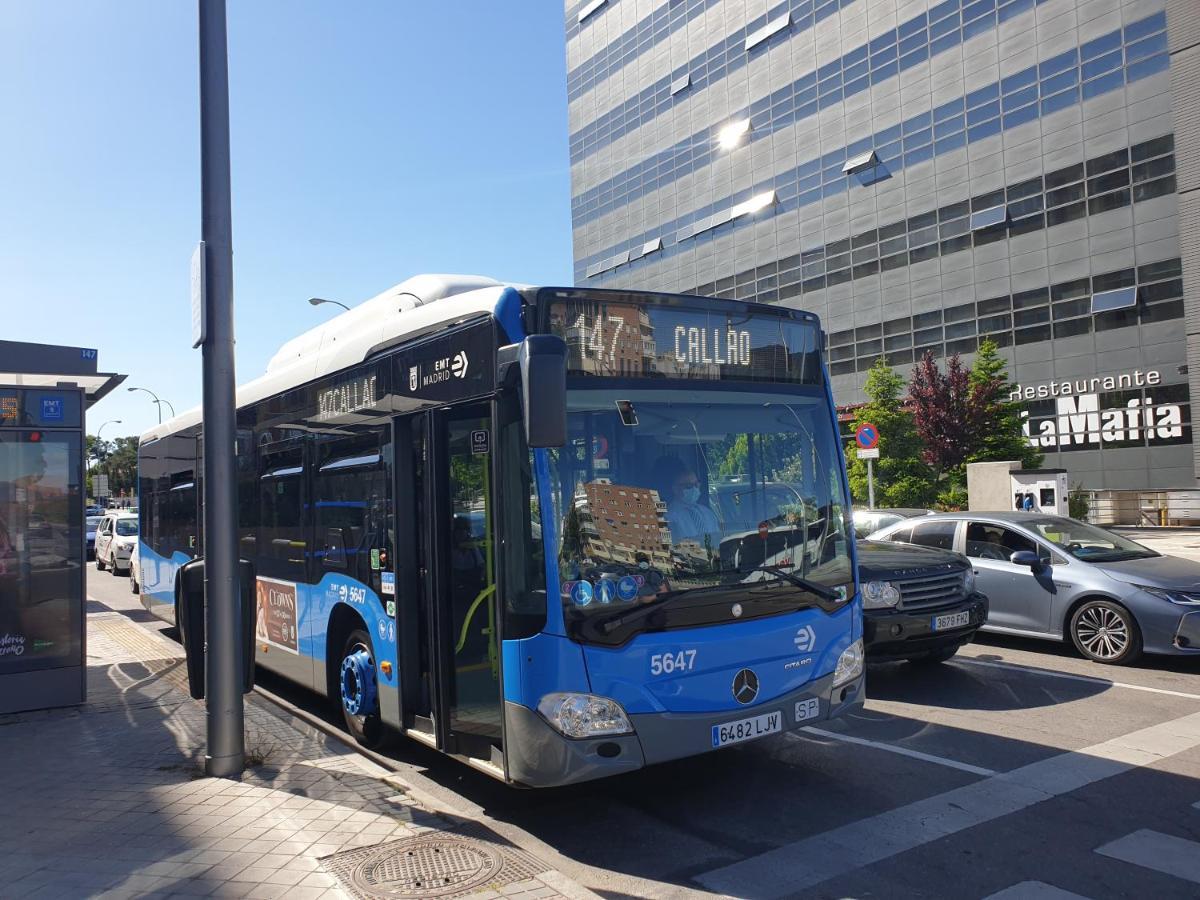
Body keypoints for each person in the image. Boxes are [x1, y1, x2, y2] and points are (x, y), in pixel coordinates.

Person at [652, 456, 721, 544]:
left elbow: (718, 540)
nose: (695, 489)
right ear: (675, 489)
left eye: (696, 484)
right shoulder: (668, 518)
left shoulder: (708, 513)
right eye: (689, 486)